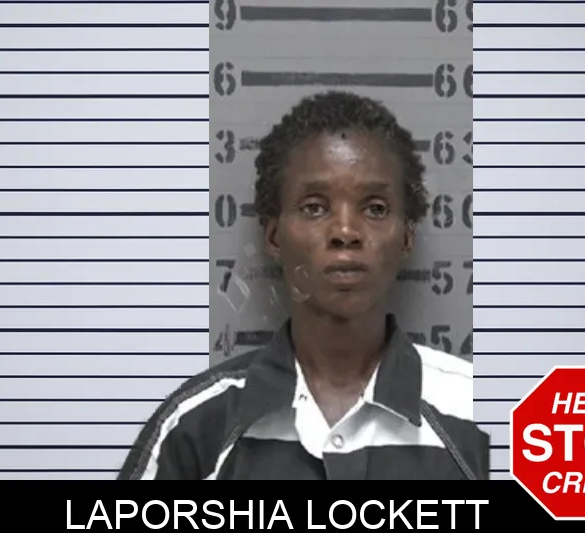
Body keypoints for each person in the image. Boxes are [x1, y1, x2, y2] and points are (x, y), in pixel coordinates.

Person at [117, 90, 489, 480]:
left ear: (407, 235)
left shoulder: (480, 417)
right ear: (274, 236)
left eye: (375, 208)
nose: (345, 231)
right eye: (314, 207)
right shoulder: (196, 427)